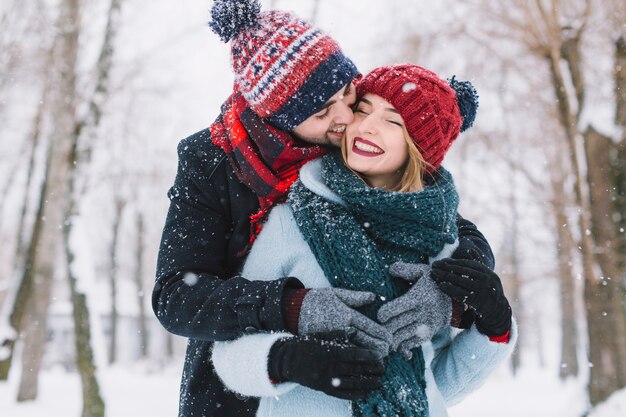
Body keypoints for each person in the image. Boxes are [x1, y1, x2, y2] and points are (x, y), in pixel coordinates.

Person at [152, 1, 495, 416]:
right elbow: (176, 297)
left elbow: (440, 222)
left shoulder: (350, 148)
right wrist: (292, 311)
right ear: (277, 118)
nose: (347, 118)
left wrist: (450, 289)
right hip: (243, 392)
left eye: (350, 93)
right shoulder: (212, 162)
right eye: (321, 113)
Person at [210, 64, 516, 417]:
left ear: (419, 150)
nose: (367, 126)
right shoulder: (290, 221)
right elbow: (229, 353)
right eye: (363, 110)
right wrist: (291, 360)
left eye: (392, 121)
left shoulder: (440, 241)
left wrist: (494, 326)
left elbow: (438, 385)